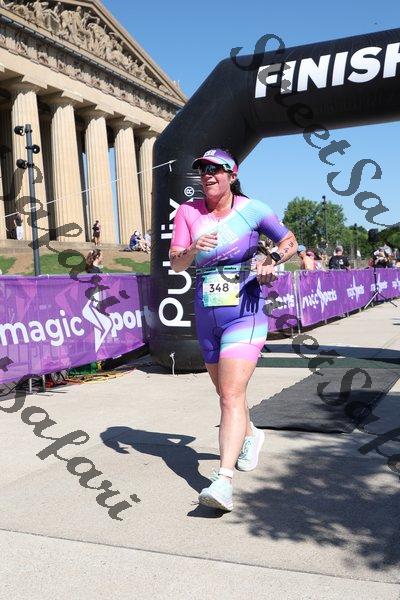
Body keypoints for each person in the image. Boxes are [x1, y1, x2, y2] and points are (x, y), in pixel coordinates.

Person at [169, 148, 297, 512]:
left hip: (246, 313)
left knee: (229, 394)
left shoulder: (252, 209)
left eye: (216, 169)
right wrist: (193, 248)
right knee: (226, 392)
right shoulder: (188, 212)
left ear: (232, 174)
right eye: (203, 170)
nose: (208, 175)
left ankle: (223, 481)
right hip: (207, 314)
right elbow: (176, 264)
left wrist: (271, 259)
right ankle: (251, 434)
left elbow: (290, 242)